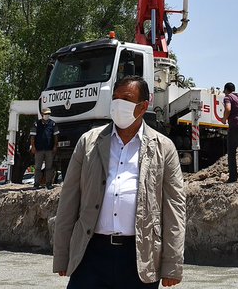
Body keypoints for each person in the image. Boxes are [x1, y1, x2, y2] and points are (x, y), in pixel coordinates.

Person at [52, 77, 186, 288]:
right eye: (115, 98)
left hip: (140, 258)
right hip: (90, 255)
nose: (118, 104)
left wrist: (172, 263)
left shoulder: (163, 147)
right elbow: (68, 200)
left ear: (143, 106)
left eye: (126, 98)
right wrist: (61, 254)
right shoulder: (88, 142)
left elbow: (174, 209)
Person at [30, 107, 59, 189]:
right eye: (46, 114)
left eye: (48, 114)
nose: (47, 115)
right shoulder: (36, 124)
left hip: (49, 149)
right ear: (42, 114)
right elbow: (32, 136)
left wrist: (55, 146)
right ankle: (36, 184)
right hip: (39, 149)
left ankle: (49, 183)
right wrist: (33, 147)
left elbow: (56, 136)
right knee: (38, 167)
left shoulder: (53, 124)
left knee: (49, 167)